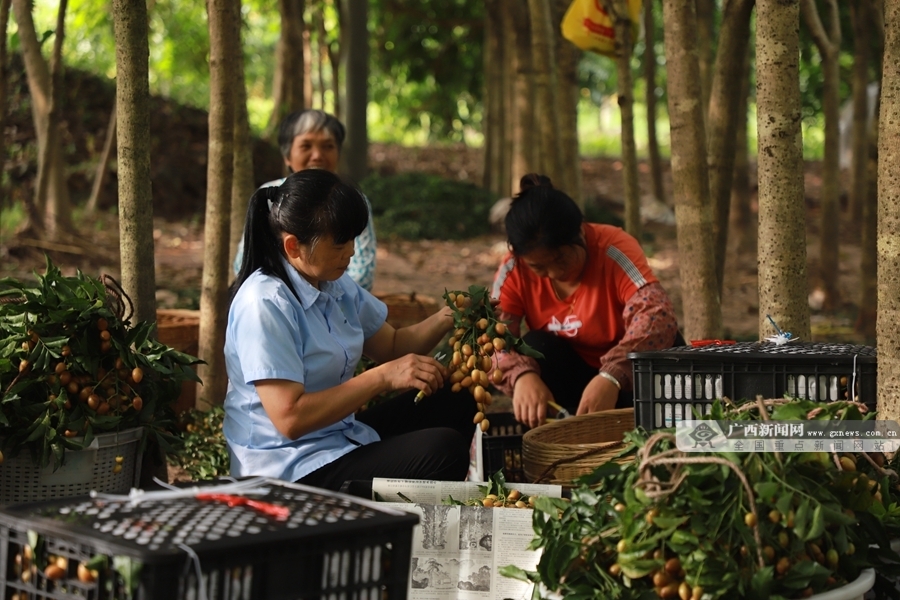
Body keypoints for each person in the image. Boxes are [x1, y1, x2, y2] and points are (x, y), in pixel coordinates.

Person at [224, 169, 476, 490]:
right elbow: (290, 419)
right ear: (293, 246)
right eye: (340, 243)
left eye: (353, 239)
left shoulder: (334, 283)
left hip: (337, 437)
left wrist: (449, 314)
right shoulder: (265, 303)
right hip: (287, 468)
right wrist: (382, 377)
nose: (352, 252)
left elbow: (394, 345)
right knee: (443, 452)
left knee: (454, 398)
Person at [491, 174, 681, 429]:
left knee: (667, 349)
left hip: (630, 380)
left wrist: (612, 375)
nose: (555, 274)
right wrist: (520, 375)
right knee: (537, 345)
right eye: (538, 267)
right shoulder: (513, 270)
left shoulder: (613, 247)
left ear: (580, 232)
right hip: (570, 389)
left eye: (561, 259)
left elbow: (657, 315)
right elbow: (491, 338)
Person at [232, 109, 377, 291]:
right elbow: (244, 264)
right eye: (306, 146)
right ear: (287, 156)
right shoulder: (269, 197)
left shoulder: (352, 200)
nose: (317, 155)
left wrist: (330, 300)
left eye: (328, 146)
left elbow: (363, 272)